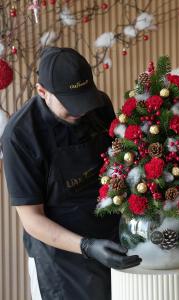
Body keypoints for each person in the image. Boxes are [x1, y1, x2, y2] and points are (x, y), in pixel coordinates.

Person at [1, 46, 142, 300]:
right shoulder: (20, 136)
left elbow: (118, 162)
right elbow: (32, 219)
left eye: (84, 102)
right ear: (42, 92)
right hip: (62, 260)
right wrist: (86, 246)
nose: (80, 112)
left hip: (111, 239)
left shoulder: (97, 105)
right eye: (70, 105)